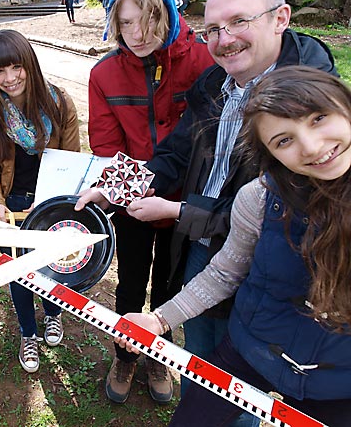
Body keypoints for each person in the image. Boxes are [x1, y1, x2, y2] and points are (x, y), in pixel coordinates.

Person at [77, 0, 337, 427]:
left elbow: (265, 211)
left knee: (249, 387)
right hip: (200, 247)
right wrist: (118, 185)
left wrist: (177, 210)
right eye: (214, 28)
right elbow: (174, 154)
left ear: (281, 18)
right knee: (204, 366)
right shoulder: (214, 85)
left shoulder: (311, 106)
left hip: (265, 270)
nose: (224, 39)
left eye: (238, 22)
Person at [116, 65, 351, 427]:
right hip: (249, 348)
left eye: (318, 118)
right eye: (283, 140)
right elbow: (225, 272)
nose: (312, 146)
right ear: (270, 154)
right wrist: (158, 319)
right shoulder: (258, 198)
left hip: (338, 384)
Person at [88, 0, 214, 406]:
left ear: (167, 14)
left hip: (186, 202)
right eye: (125, 24)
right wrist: (123, 191)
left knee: (169, 283)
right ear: (113, 20)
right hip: (132, 200)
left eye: (147, 22)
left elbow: (207, 136)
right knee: (130, 281)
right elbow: (107, 147)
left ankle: (157, 350)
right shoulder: (104, 75)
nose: (137, 35)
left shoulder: (202, 60)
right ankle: (125, 351)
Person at [0, 29, 81, 373]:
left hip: (51, 201)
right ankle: (27, 332)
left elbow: (72, 161)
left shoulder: (60, 102)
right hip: (14, 202)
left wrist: (57, 202)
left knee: (55, 265)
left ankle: (53, 314)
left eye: (15, 67)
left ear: (29, 65)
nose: (9, 79)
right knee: (18, 271)